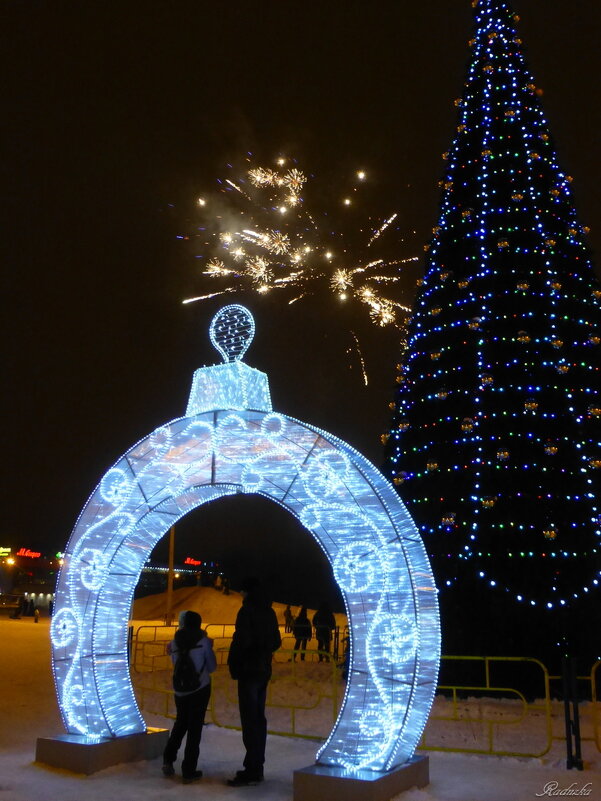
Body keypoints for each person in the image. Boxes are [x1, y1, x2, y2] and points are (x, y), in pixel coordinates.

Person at [226, 577, 281, 787]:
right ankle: (257, 766)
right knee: (258, 718)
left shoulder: (247, 611)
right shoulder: (269, 611)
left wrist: (235, 662)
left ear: (247, 592)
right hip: (263, 669)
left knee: (250, 720)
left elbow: (242, 639)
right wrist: (264, 650)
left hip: (249, 669)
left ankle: (252, 769)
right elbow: (276, 641)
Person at [162, 610, 216, 783]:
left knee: (180, 723)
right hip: (200, 688)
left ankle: (168, 760)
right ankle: (189, 769)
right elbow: (212, 667)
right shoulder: (204, 642)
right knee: (195, 729)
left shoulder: (174, 642)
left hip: (180, 690)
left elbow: (174, 664)